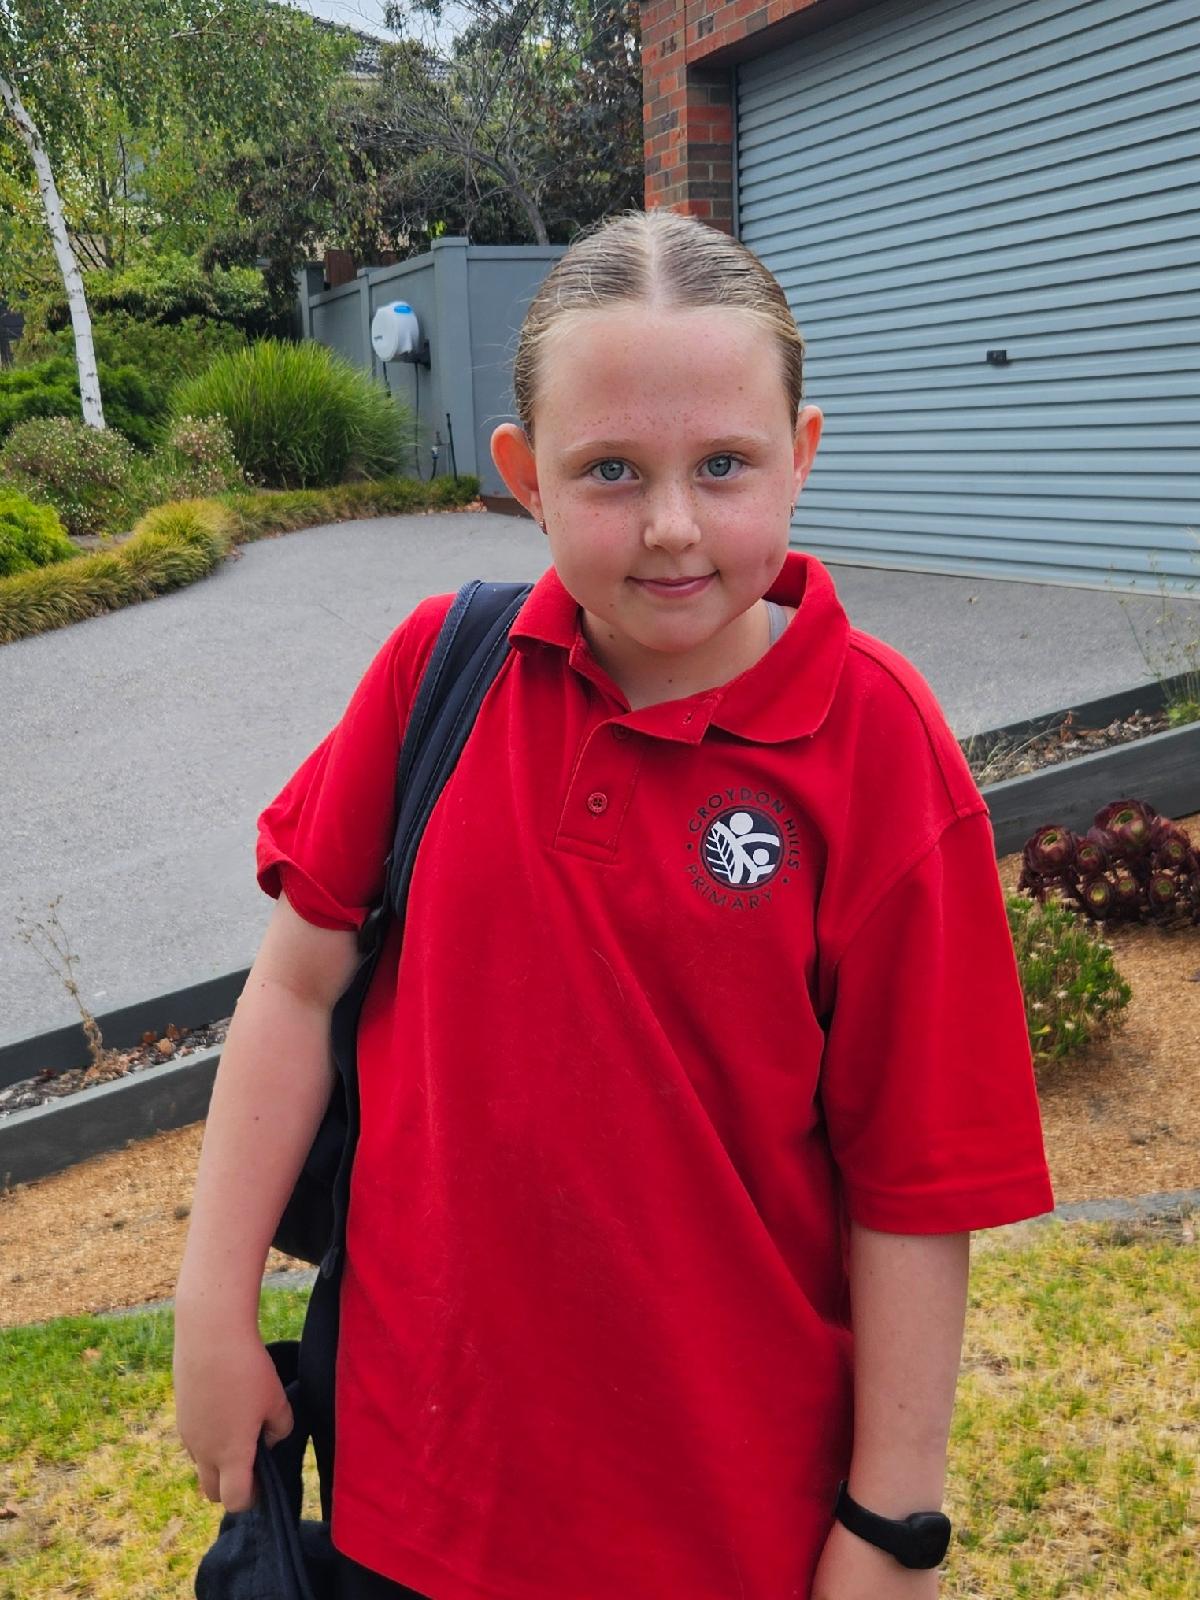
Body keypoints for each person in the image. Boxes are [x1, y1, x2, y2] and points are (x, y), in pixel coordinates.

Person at [173, 207, 1055, 1600]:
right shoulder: (441, 673)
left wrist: (893, 1524)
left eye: (724, 465)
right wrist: (212, 1305)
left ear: (803, 454)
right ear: (524, 475)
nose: (671, 527)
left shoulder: (881, 751)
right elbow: (296, 983)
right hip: (413, 1489)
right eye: (610, 472)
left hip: (722, 1527)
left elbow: (912, 1186)